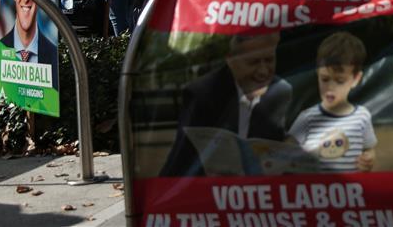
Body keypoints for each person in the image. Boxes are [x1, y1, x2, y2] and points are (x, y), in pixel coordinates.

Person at [160, 32, 292, 176]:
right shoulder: (202, 94)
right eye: (253, 62)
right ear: (231, 61)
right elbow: (182, 160)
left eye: (269, 60)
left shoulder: (281, 91)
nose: (263, 71)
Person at [288, 32, 376, 172]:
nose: (330, 87)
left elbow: (369, 149)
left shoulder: (362, 117)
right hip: (316, 192)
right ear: (317, 73)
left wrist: (368, 160)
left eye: (339, 81)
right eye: (325, 79)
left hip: (350, 192)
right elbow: (286, 151)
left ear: (356, 79)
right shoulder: (307, 118)